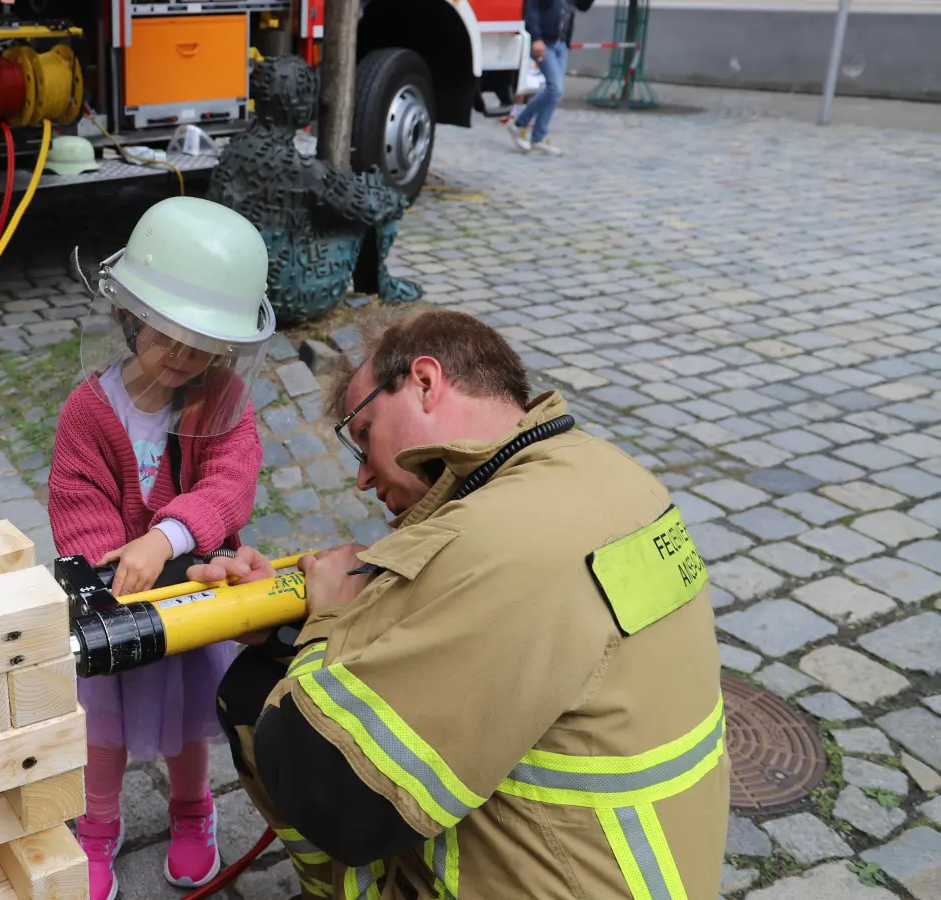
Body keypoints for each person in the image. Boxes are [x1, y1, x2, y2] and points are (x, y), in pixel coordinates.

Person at [193, 306, 730, 899]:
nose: (364, 477)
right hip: (651, 866)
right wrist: (293, 621)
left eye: (363, 433)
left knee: (258, 701)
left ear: (424, 382)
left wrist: (326, 622)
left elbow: (332, 794)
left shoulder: (494, 541)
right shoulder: (611, 476)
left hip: (562, 880)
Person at [49, 195, 276, 900]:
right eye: (164, 334)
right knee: (104, 726)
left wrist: (166, 536)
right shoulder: (89, 411)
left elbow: (231, 483)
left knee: (187, 722)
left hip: (197, 598)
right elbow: (76, 499)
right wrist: (109, 568)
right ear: (129, 315)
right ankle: (98, 826)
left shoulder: (222, 400)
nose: (181, 356)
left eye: (202, 342)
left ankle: (192, 812)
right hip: (120, 607)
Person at [507, 0, 594, 155]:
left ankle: (538, 138)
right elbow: (532, 12)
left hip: (562, 45)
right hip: (545, 43)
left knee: (554, 92)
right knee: (555, 89)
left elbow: (583, 6)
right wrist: (537, 38)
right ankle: (519, 123)